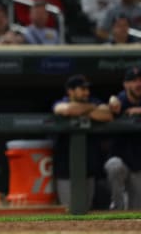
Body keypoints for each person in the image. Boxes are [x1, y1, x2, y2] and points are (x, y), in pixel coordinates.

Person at [52, 74, 113, 209]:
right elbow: (68, 110)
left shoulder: (92, 101)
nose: (87, 92)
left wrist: (83, 110)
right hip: (65, 169)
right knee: (68, 210)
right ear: (70, 91)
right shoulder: (60, 102)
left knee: (87, 209)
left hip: (88, 168)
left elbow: (107, 114)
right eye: (82, 89)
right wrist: (91, 109)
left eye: (87, 89)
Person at [105, 66, 141, 209]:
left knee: (137, 210)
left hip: (139, 166)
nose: (138, 84)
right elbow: (108, 107)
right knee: (114, 165)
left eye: (140, 80)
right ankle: (117, 205)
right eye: (133, 81)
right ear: (125, 84)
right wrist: (110, 104)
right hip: (122, 161)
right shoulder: (119, 101)